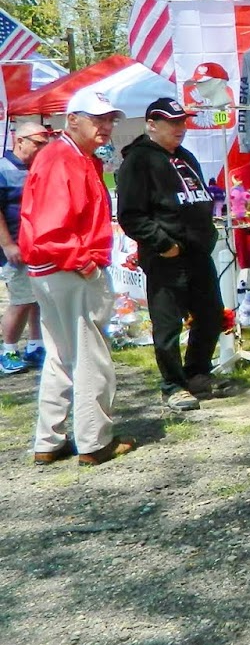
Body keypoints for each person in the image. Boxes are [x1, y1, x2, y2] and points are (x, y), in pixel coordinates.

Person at [19, 88, 133, 466]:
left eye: (110, 118)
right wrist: (83, 261)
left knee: (61, 354)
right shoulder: (63, 159)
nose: (106, 126)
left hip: (54, 268)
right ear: (73, 120)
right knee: (89, 356)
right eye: (97, 118)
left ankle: (49, 440)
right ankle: (93, 441)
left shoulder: (70, 156)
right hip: (68, 268)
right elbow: (52, 227)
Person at [116, 97, 228, 411]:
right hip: (165, 255)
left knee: (210, 314)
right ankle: (172, 385)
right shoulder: (138, 161)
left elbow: (198, 197)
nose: (179, 128)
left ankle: (197, 374)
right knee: (167, 324)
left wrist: (208, 233)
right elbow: (131, 215)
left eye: (182, 121)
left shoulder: (185, 156)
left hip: (197, 252)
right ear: (152, 124)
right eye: (172, 122)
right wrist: (164, 244)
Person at [0, 119, 52, 373]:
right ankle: (8, 350)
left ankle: (35, 345)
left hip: (38, 245)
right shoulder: (3, 168)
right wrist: (8, 244)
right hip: (15, 247)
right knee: (21, 300)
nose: (43, 148)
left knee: (38, 298)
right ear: (20, 141)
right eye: (38, 143)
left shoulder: (38, 167)